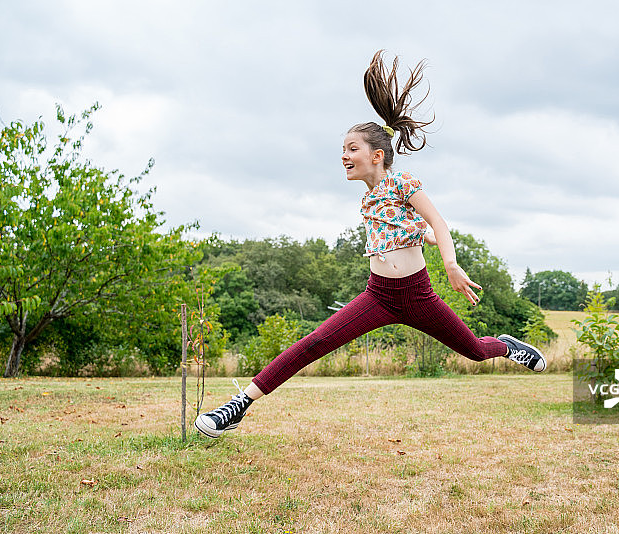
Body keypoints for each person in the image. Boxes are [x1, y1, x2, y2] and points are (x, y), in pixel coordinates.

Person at [195, 50, 546, 439]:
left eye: (352, 149)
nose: (343, 156)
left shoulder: (403, 183)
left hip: (418, 296)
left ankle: (507, 347)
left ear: (376, 156)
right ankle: (238, 406)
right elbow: (414, 232)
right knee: (313, 342)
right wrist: (420, 235)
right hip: (378, 296)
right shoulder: (367, 201)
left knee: (477, 351)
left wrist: (450, 264)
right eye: (343, 149)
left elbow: (438, 223)